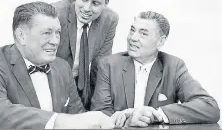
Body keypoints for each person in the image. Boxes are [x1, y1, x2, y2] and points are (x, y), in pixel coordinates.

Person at [0, 1, 115, 129]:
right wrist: (57, 121)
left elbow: (78, 116)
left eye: (58, 33)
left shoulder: (62, 67)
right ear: (21, 36)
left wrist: (117, 120)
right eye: (47, 33)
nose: (55, 41)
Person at [91, 11, 220, 127]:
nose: (133, 38)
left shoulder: (174, 66)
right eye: (132, 30)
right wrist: (129, 118)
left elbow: (209, 107)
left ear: (160, 41)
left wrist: (156, 114)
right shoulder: (108, 65)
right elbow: (100, 114)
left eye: (143, 33)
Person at [52, 0, 119, 110]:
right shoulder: (54, 14)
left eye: (95, 3)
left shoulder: (109, 19)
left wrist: (99, 108)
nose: (87, 8)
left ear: (106, 3)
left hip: (81, 87)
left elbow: (100, 66)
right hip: (52, 84)